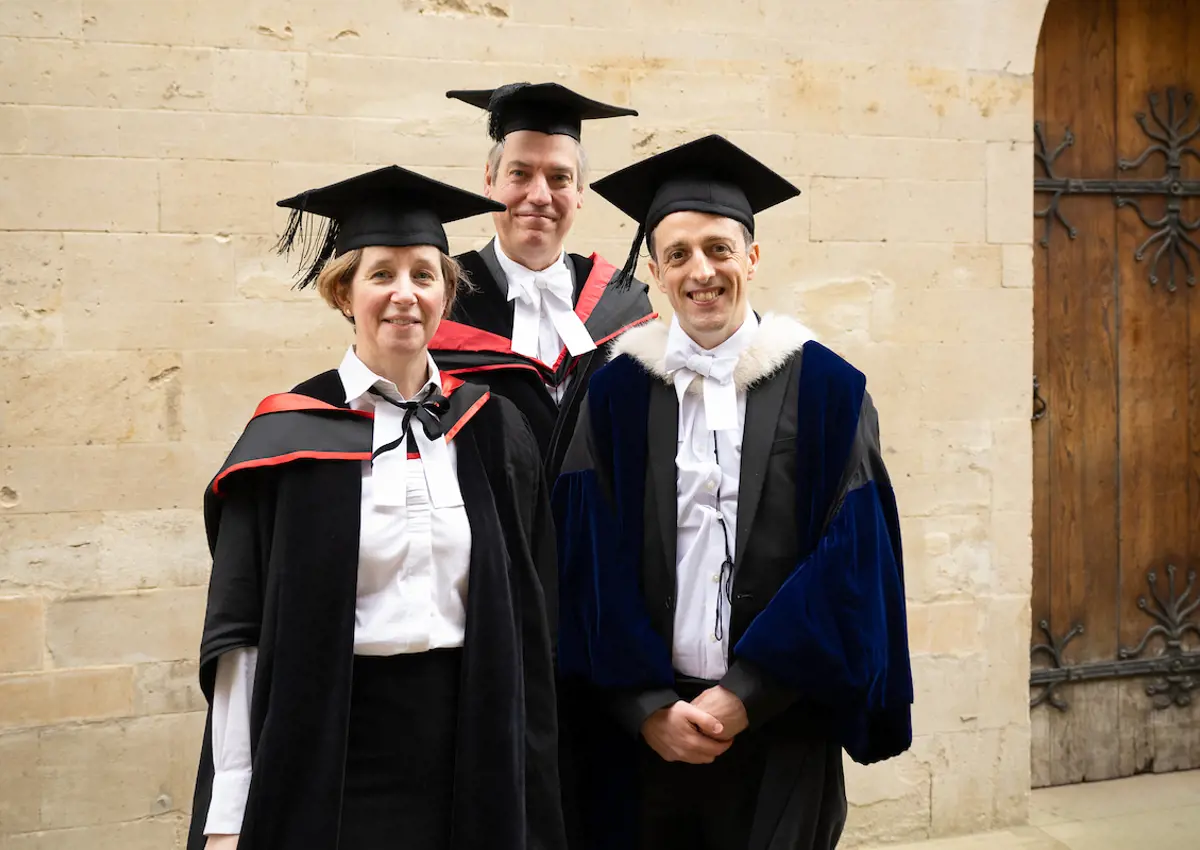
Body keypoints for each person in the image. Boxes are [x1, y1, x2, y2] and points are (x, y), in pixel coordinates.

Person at [187, 166, 565, 850]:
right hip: (333, 749)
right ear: (343, 293)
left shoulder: (491, 427)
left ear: (447, 293)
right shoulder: (287, 439)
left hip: (472, 742)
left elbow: (533, 619)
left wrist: (536, 778)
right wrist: (228, 812)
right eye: (381, 274)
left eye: (424, 274)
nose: (404, 294)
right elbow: (240, 636)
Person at [553, 135, 913, 850]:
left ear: (753, 258)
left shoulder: (828, 390)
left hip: (783, 727)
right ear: (654, 271)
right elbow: (583, 559)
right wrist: (646, 706)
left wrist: (749, 693)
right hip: (645, 740)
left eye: (719, 248)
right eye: (679, 254)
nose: (701, 271)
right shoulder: (615, 391)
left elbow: (849, 563)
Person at [430, 82, 656, 481]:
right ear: (489, 180)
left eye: (559, 178)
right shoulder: (442, 303)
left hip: (598, 534)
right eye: (520, 173)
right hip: (489, 534)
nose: (539, 195)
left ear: (580, 192)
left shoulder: (623, 305)